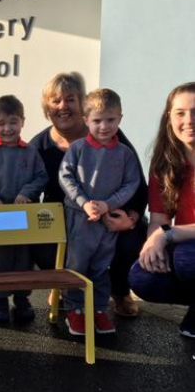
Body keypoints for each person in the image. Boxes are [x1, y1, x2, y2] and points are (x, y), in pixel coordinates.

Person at [30, 73, 148, 317]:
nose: (63, 106)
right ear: (46, 107)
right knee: (40, 242)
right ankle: (63, 286)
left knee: (128, 240)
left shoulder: (112, 138)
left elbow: (137, 186)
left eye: (70, 99)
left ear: (82, 105)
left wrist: (131, 218)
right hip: (65, 219)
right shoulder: (38, 146)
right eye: (56, 100)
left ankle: (119, 291)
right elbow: (27, 189)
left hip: (110, 216)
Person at [59, 89, 141, 335]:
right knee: (77, 265)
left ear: (120, 119)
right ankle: (75, 310)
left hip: (106, 222)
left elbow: (131, 184)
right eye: (97, 120)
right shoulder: (77, 148)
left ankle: (98, 309)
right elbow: (66, 177)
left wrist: (108, 205)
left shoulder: (125, 154)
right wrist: (84, 202)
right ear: (86, 120)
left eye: (110, 120)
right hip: (79, 219)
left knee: (101, 266)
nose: (104, 126)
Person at [0, 95, 48, 323]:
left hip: (23, 217)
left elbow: (41, 177)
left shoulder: (31, 152)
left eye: (13, 122)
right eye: (1, 123)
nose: (7, 128)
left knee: (23, 259)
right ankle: (0, 301)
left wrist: (26, 193)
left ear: (22, 122)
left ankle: (22, 299)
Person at [130, 82, 195, 338]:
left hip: (186, 247)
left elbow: (167, 231)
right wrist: (154, 245)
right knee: (141, 277)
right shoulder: (165, 164)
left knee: (187, 261)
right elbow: (159, 219)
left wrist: (167, 235)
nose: (189, 120)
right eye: (180, 113)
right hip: (184, 243)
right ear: (169, 117)